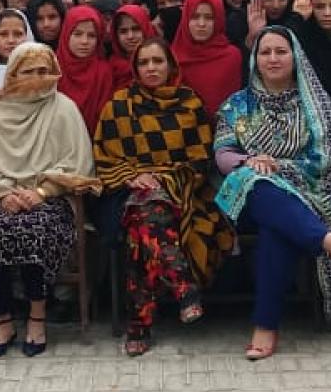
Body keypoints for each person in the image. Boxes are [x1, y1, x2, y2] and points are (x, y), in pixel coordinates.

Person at [0, 45, 100, 359]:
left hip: (50, 199)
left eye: (44, 71)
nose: (38, 78)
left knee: (35, 229)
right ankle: (3, 322)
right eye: (29, 72)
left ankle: (36, 320)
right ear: (13, 74)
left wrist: (41, 192)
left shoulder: (64, 109)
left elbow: (78, 165)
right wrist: (2, 193)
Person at [212, 26, 331, 361]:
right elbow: (222, 156)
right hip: (249, 200)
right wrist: (251, 161)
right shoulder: (238, 104)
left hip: (311, 196)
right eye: (265, 52)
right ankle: (327, 240)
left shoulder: (316, 104)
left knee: (276, 229)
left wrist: (279, 166)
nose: (273, 59)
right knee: (256, 181)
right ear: (255, 59)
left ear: (296, 57)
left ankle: (265, 326)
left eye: (281, 51)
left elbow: (327, 161)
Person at [95, 38, 232, 357]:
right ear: (135, 68)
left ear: (170, 65)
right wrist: (132, 176)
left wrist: (166, 179)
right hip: (127, 192)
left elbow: (200, 161)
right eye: (144, 63)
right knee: (145, 208)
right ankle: (183, 285)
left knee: (142, 223)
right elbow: (104, 157)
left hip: (183, 192)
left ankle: (139, 322)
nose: (151, 68)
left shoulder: (189, 104)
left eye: (158, 61)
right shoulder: (119, 105)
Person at [169, 0, 242, 119]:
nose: (201, 24)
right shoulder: (172, 56)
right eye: (195, 17)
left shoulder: (232, 57)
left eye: (209, 18)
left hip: (222, 129)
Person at [56, 5, 118, 126]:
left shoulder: (103, 72)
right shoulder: (53, 67)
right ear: (66, 34)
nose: (84, 41)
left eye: (92, 35)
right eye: (77, 34)